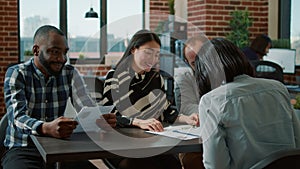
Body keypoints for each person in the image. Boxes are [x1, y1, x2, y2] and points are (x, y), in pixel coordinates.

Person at [2, 25, 116, 169]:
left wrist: (99, 118)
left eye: (64, 52)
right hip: (23, 148)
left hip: (60, 148)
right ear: (36, 50)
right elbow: (17, 118)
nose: (62, 59)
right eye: (55, 52)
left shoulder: (70, 73)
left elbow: (86, 106)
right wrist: (45, 128)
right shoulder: (17, 74)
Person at [194, 38, 300, 169]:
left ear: (205, 71)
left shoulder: (212, 100)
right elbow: (297, 142)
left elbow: (216, 165)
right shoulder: (278, 88)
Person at [101, 29, 199, 169]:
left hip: (153, 141)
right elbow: (110, 117)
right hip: (124, 145)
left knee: (174, 165)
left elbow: (166, 111)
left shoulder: (156, 77)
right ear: (134, 49)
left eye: (156, 55)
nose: (153, 59)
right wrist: (138, 122)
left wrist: (187, 118)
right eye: (148, 52)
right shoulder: (115, 76)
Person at [174, 36, 206, 169]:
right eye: (193, 63)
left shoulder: (225, 73)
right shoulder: (185, 78)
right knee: (192, 159)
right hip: (199, 137)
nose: (199, 65)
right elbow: (187, 107)